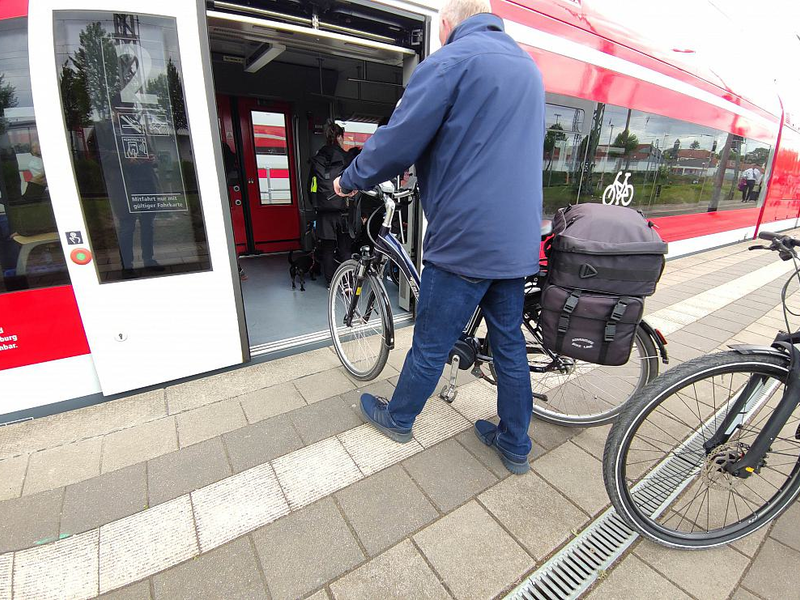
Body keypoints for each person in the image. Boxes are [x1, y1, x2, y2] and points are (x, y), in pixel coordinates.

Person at [334, 0, 545, 474]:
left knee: (431, 341)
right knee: (508, 345)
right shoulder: (528, 69)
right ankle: (515, 445)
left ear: (448, 23)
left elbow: (398, 138)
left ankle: (399, 417)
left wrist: (349, 179)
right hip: (515, 242)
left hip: (466, 240)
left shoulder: (452, 60)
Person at [310, 120, 360, 287]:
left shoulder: (317, 159)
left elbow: (311, 186)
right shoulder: (347, 158)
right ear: (339, 137)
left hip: (324, 213)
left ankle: (331, 282)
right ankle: (347, 283)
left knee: (327, 250)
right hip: (343, 212)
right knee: (345, 249)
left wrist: (317, 205)